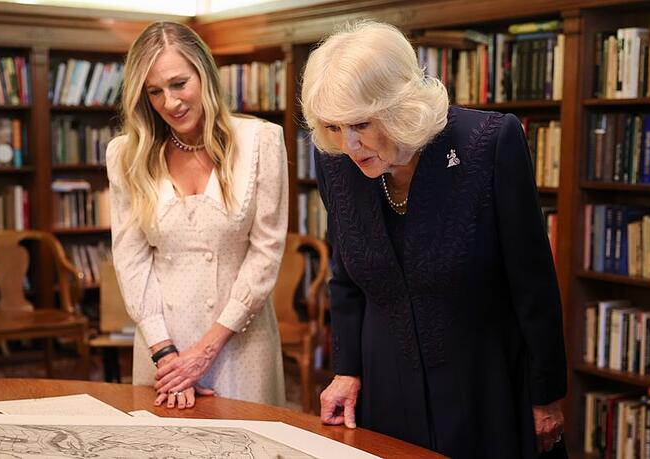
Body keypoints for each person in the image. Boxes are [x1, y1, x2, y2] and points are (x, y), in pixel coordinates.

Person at [300, 21, 567, 459]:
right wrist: (346, 370)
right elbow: (345, 279)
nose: (347, 144)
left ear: (401, 106)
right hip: (385, 390)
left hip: (485, 385)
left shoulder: (490, 143)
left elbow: (533, 283)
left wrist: (546, 395)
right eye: (331, 126)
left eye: (360, 124)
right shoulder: (335, 160)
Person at [106, 21, 288, 410]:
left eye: (178, 83)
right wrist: (166, 355)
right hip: (161, 346)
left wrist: (205, 351)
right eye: (154, 91)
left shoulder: (261, 141)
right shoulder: (126, 154)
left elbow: (266, 252)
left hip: (239, 339)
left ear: (204, 73)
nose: (169, 102)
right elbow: (131, 259)